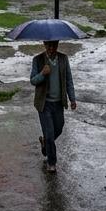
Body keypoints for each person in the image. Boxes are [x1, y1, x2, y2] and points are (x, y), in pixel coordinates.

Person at [30, 39, 77, 173]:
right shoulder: (37, 60)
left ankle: (46, 142)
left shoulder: (63, 59)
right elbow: (32, 80)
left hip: (58, 103)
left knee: (59, 128)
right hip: (44, 104)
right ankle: (52, 162)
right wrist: (42, 74)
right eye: (48, 45)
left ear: (57, 44)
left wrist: (72, 98)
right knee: (50, 134)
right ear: (44, 44)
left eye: (54, 45)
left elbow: (69, 79)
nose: (51, 48)